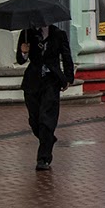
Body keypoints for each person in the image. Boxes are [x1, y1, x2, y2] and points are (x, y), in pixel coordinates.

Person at [16, 21, 74, 172]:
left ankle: (43, 158)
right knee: (34, 120)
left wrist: (68, 78)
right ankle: (48, 139)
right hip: (32, 82)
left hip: (51, 81)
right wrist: (24, 52)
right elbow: (20, 59)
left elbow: (67, 57)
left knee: (46, 119)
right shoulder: (27, 34)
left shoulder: (59, 34)